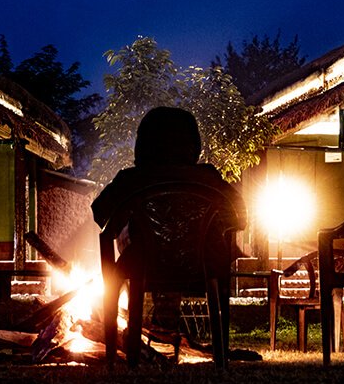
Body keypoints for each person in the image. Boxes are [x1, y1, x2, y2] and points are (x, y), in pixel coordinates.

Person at [91, 106, 246, 331]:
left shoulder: (131, 179)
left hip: (144, 264)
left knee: (125, 241)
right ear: (194, 144)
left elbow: (100, 215)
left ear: (142, 144)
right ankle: (218, 349)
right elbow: (239, 220)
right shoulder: (209, 179)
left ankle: (125, 345)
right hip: (203, 265)